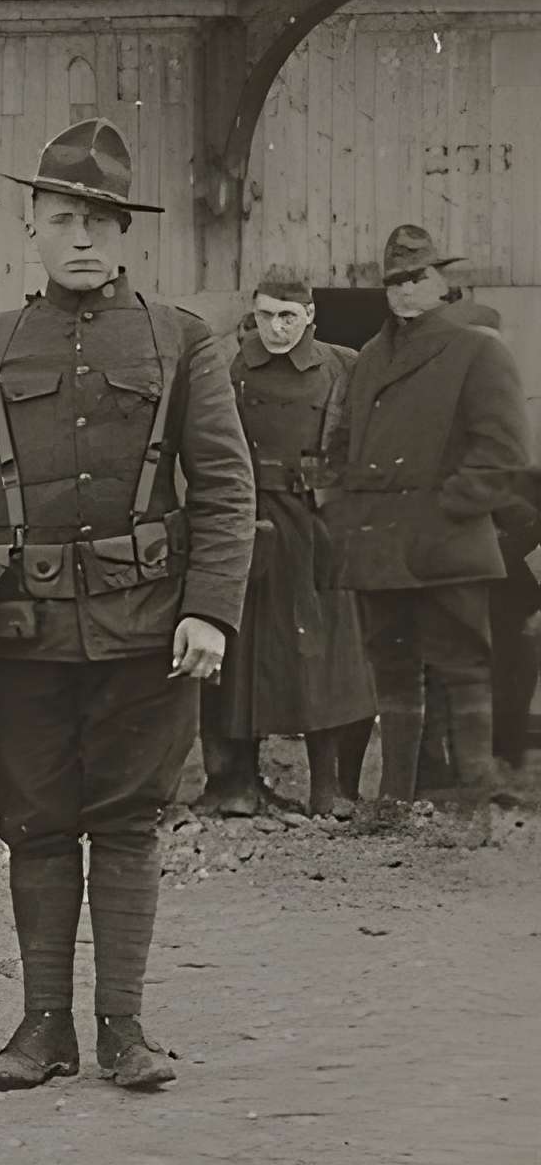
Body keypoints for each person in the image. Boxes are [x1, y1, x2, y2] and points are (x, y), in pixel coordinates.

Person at [0, 121, 252, 1092]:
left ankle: (122, 1029)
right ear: (30, 228)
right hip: (19, 632)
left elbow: (223, 485)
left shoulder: (180, 339)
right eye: (61, 218)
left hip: (149, 630)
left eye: (97, 218)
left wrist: (208, 609)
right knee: (35, 822)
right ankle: (41, 1028)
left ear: (124, 229)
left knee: (128, 821)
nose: (80, 236)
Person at [326, 224, 530, 811]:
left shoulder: (478, 350)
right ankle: (394, 802)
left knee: (463, 666)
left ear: (443, 282)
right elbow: (341, 445)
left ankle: (473, 806)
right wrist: (345, 511)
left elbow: (504, 452)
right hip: (378, 545)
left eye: (417, 278)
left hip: (446, 543)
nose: (405, 292)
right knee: (391, 669)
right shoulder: (368, 358)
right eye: (394, 281)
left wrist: (447, 510)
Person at [201, 266, 374, 819]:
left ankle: (329, 789)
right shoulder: (227, 370)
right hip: (246, 523)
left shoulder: (342, 367)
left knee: (326, 658)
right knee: (238, 656)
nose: (275, 329)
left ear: (310, 318)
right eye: (265, 316)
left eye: (288, 318)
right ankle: (235, 786)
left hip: (316, 526)